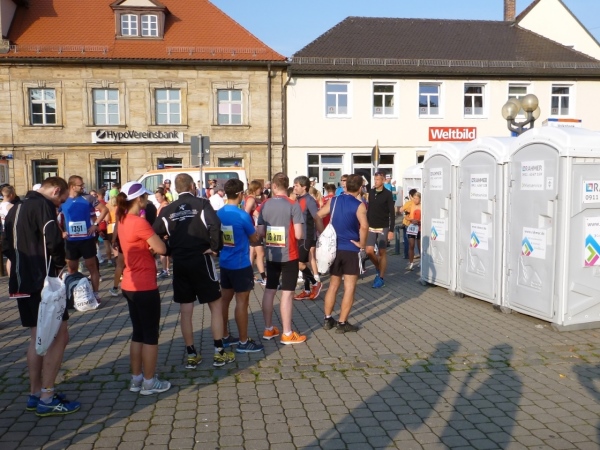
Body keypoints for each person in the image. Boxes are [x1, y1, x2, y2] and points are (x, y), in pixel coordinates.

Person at [2, 177, 81, 416]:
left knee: (37, 336)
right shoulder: (43, 206)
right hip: (43, 282)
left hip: (21, 280)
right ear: (56, 190)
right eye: (61, 200)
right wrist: (58, 265)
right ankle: (47, 396)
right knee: (59, 336)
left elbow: (6, 245)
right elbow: (54, 241)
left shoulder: (15, 208)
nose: (60, 205)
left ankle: (35, 392)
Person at [153, 173, 234, 368]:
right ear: (192, 186)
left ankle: (191, 354)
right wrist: (215, 247)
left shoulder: (168, 209)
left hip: (180, 262)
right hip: (201, 258)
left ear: (175, 189)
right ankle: (219, 352)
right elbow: (215, 225)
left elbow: (154, 231)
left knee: (186, 309)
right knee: (215, 305)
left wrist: (170, 248)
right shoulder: (202, 203)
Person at [115, 181, 170, 395]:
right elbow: (161, 248)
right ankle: (149, 382)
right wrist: (157, 245)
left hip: (129, 283)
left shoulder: (121, 220)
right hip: (144, 284)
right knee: (150, 335)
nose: (147, 200)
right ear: (139, 199)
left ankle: (136, 378)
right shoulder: (139, 222)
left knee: (138, 333)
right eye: (145, 197)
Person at [257, 172, 306, 345]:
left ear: (274, 186)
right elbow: (299, 234)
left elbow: (260, 231)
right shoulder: (293, 204)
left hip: (271, 253)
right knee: (287, 293)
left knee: (270, 290)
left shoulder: (265, 204)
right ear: (287, 186)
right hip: (289, 254)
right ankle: (287, 333)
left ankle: (268, 328)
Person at [217, 179, 264, 353]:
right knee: (242, 302)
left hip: (224, 263)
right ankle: (243, 342)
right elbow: (254, 238)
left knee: (224, 300)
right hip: (240, 264)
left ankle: (224, 336)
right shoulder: (242, 215)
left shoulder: (219, 213)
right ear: (240, 194)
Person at [317, 174, 368, 333]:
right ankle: (342, 322)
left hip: (334, 248)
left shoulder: (334, 200)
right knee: (349, 287)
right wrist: (362, 244)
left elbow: (318, 216)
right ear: (359, 188)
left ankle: (327, 319)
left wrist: (324, 234)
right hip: (351, 249)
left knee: (333, 285)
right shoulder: (359, 205)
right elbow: (364, 226)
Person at [60, 175, 108, 303]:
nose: (83, 187)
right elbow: (53, 215)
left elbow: (104, 209)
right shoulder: (63, 199)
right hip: (71, 240)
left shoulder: (88, 197)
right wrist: (61, 231)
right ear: (72, 186)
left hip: (87, 239)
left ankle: (96, 293)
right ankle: (74, 294)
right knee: (72, 269)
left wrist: (95, 224)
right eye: (80, 185)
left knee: (92, 267)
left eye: (83, 185)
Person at [293, 176, 324, 301]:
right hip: (300, 236)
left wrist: (323, 234)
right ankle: (306, 290)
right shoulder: (298, 199)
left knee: (299, 263)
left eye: (296, 185)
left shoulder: (309, 200)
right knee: (304, 264)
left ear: (304, 187)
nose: (294, 187)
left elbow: (317, 217)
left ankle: (316, 284)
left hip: (307, 236)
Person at [365, 172, 396, 289]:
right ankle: (379, 267)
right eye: (375, 179)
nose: (376, 181)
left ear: (383, 180)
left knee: (382, 252)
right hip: (371, 226)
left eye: (378, 179)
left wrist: (391, 230)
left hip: (383, 226)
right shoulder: (371, 192)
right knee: (369, 251)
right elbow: (369, 209)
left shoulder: (387, 194)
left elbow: (392, 213)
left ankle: (381, 278)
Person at [244, 180, 266, 285]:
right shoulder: (251, 199)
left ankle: (249, 275)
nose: (261, 190)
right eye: (260, 188)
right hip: (254, 229)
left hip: (255, 228)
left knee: (252, 253)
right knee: (260, 253)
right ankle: (264, 278)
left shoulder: (255, 199)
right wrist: (251, 227)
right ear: (255, 188)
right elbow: (246, 214)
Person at [0, 185, 20, 275]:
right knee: (13, 255)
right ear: (11, 194)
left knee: (9, 257)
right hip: (12, 231)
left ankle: (10, 276)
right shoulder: (11, 206)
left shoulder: (1, 205)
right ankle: (14, 275)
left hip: (4, 230)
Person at [154, 187, 171, 279]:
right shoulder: (161, 205)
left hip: (164, 232)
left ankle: (165, 269)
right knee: (164, 252)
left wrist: (166, 232)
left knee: (163, 252)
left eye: (158, 197)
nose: (157, 199)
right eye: (156, 197)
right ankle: (166, 269)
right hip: (161, 231)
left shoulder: (165, 205)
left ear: (163, 196)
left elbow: (166, 220)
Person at [399, 189, 418, 260]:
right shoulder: (418, 203)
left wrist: (404, 210)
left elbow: (400, 210)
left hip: (407, 223)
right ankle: (415, 253)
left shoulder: (409, 203)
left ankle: (407, 255)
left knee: (406, 240)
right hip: (415, 224)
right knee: (414, 239)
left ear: (410, 196)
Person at [407, 192, 422, 271]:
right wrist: (411, 220)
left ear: (420, 199)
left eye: (417, 199)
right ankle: (411, 263)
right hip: (412, 228)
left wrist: (419, 221)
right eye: (414, 198)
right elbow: (406, 216)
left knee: (420, 246)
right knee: (411, 245)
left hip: (419, 228)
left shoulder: (422, 206)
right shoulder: (410, 205)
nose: (415, 200)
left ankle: (421, 261)